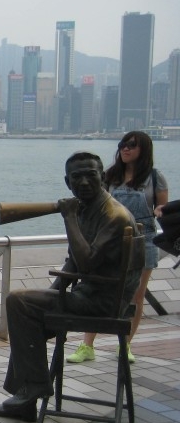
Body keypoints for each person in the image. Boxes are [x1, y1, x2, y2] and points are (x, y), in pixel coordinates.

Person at [0, 151, 141, 422]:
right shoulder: (89, 210)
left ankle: (32, 389)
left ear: (103, 177)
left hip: (103, 304)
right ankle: (25, 396)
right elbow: (73, 263)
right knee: (26, 312)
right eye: (76, 177)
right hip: (88, 294)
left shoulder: (114, 215)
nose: (83, 182)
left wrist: (68, 218)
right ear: (67, 182)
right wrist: (51, 293)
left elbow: (86, 263)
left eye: (90, 175)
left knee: (17, 302)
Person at [67, 132, 169, 365]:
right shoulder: (110, 176)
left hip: (143, 239)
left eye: (132, 146)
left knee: (136, 295)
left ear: (144, 150)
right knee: (95, 284)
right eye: (123, 145)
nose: (126, 149)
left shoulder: (154, 177)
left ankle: (126, 343)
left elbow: (163, 204)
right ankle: (87, 345)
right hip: (107, 240)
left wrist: (160, 210)